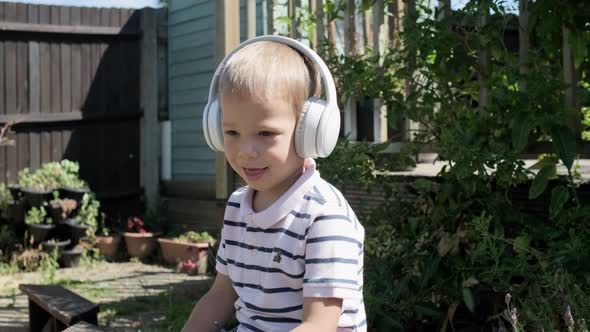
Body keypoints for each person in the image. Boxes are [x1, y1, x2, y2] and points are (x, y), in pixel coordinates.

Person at [182, 35, 365, 332]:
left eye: (266, 134)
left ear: (311, 131)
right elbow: (220, 296)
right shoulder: (238, 208)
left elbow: (319, 324)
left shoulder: (324, 218)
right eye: (231, 132)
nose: (245, 151)